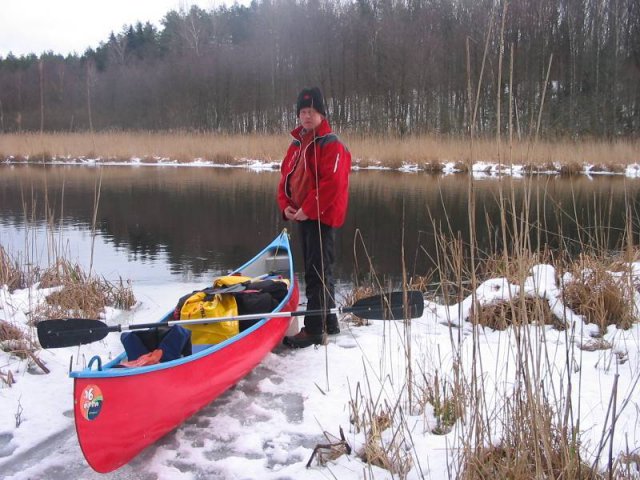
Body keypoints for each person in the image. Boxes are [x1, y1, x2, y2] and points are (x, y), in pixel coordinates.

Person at [277, 87, 351, 348]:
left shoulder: (331, 144)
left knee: (317, 272)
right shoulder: (297, 144)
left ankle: (315, 329)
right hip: (303, 216)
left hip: (322, 218)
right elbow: (286, 177)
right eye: (303, 112)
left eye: (312, 111)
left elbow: (332, 184)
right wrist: (285, 205)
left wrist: (309, 208)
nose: (307, 116)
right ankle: (329, 321)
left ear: (321, 113)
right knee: (318, 270)